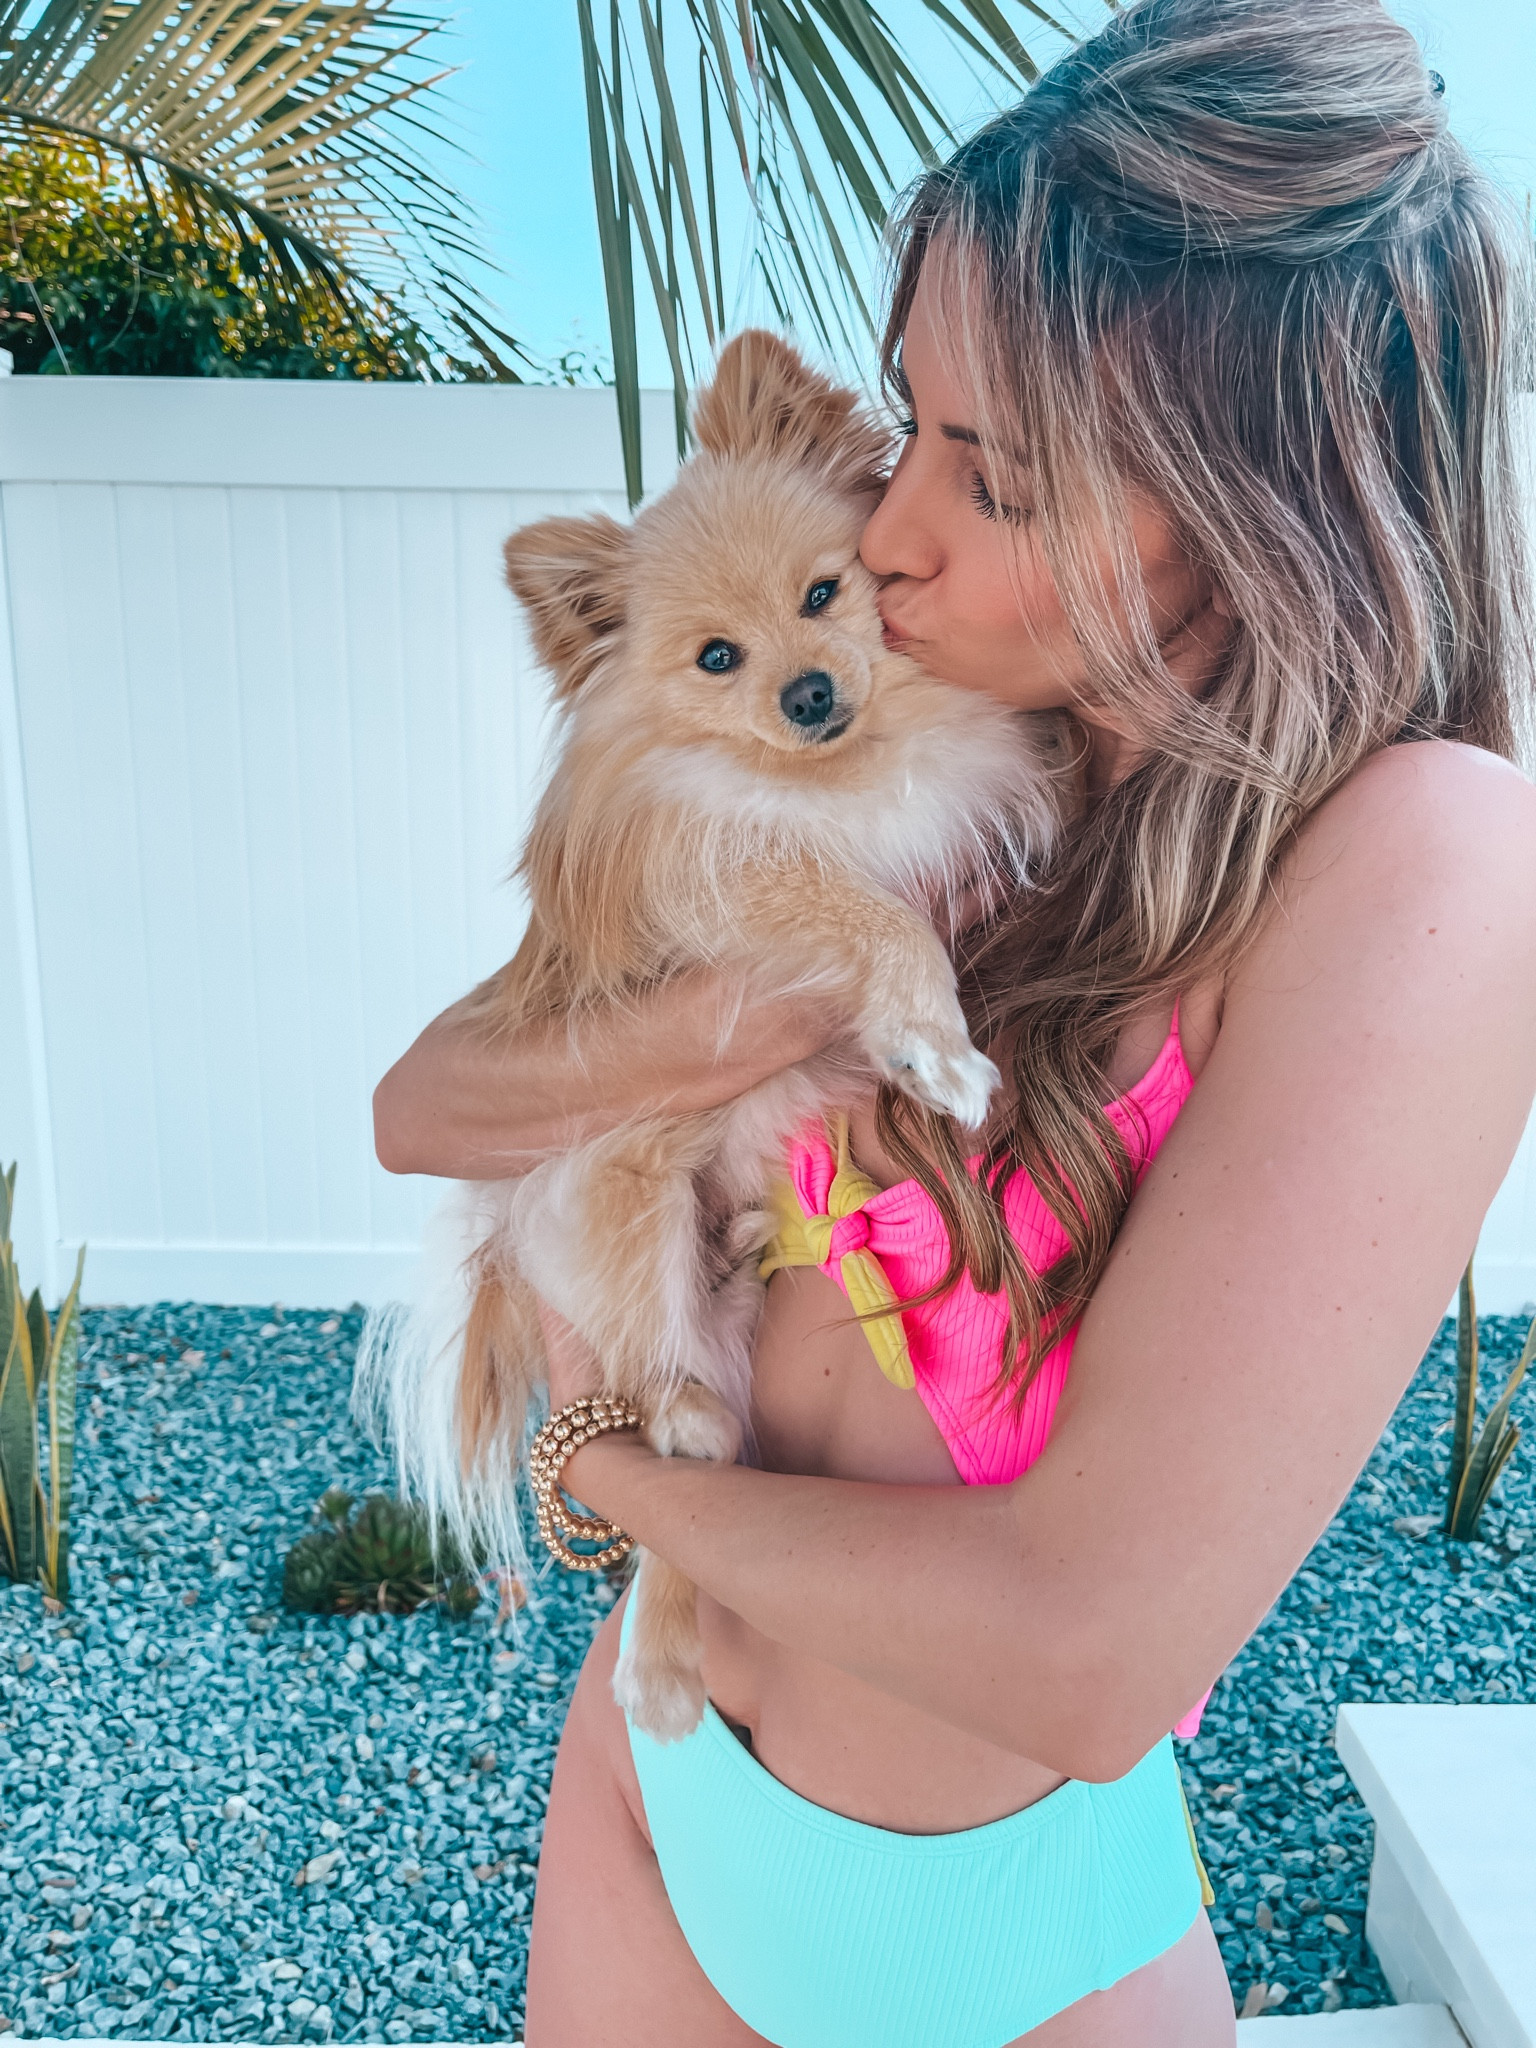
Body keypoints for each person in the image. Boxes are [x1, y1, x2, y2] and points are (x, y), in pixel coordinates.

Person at [372, 0, 1536, 2040]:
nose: (889, 533)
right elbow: (428, 1101)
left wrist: (607, 1477)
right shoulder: (956, 758)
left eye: (989, 475)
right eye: (912, 428)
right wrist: (698, 1032)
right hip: (651, 1796)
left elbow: (1082, 1650)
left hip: (983, 1947)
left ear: (1265, 502)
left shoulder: (1425, 857)